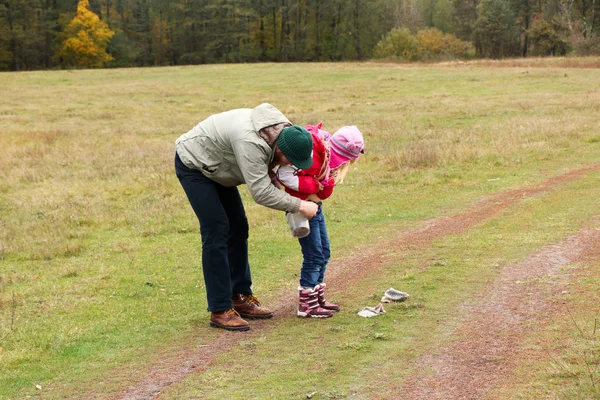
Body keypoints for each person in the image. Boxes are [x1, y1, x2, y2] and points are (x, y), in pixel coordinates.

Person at [174, 103, 319, 331]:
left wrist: (292, 203)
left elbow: (269, 172)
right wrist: (298, 205)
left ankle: (239, 296)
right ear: (281, 150)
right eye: (291, 160)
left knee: (239, 227)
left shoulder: (286, 134)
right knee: (217, 230)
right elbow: (260, 192)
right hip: (196, 163)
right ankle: (220, 309)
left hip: (222, 167)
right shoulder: (251, 142)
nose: (292, 165)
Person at [276, 123, 365, 318]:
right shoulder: (312, 155)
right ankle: (306, 304)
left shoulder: (326, 162)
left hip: (315, 208)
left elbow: (323, 191)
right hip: (302, 209)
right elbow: (282, 174)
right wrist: (313, 184)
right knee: (314, 255)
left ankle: (316, 298)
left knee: (324, 252)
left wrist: (326, 183)